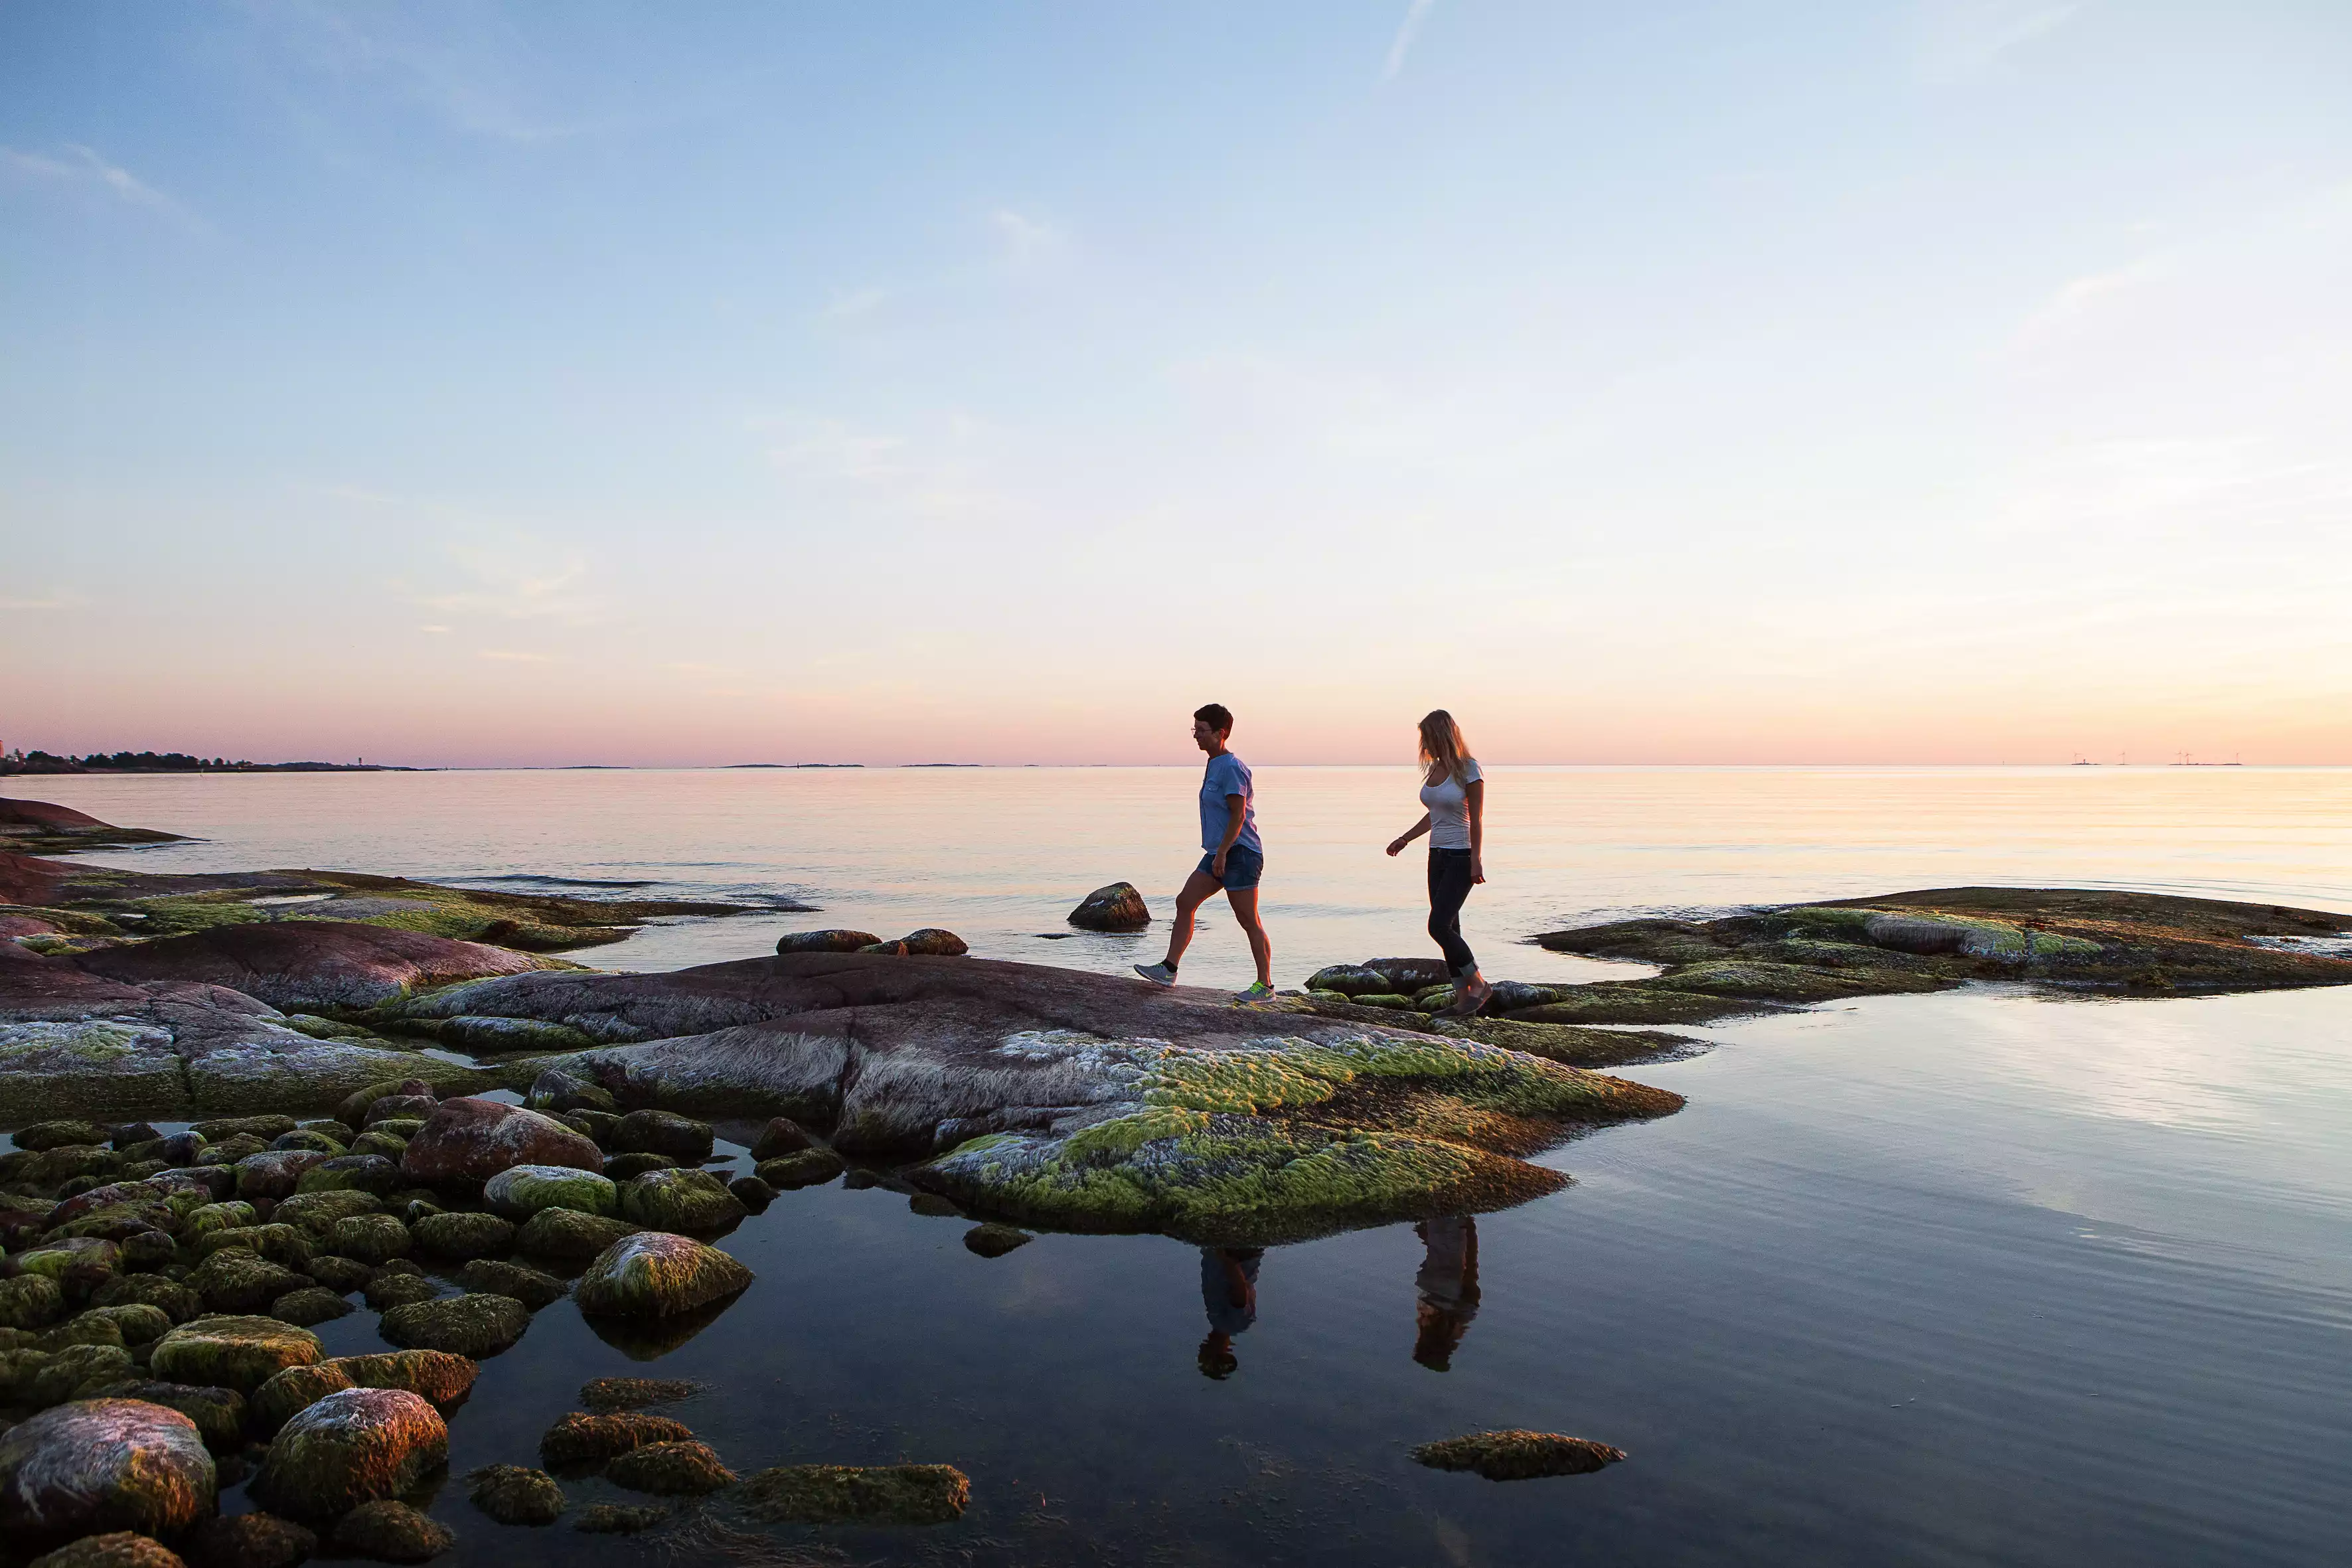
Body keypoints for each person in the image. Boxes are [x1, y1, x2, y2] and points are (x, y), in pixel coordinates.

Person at [1135, 702, 1274, 1000]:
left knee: (1249, 920)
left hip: (1240, 853)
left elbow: (1238, 816)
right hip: (1218, 852)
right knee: (1185, 902)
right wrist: (1218, 852)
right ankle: (1169, 970)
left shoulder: (1233, 768)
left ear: (1221, 733)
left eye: (1202, 730)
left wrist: (1223, 853)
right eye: (1194, 729)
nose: (1196, 735)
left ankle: (1265, 987)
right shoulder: (1213, 763)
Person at [1384, 709, 1491, 1014]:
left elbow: (1478, 819)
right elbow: (1435, 816)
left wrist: (1476, 860)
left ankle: (1480, 984)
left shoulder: (1469, 769)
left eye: (1427, 737)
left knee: (1438, 926)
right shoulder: (1435, 770)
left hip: (1460, 856)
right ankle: (1462, 1000)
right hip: (1437, 856)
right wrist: (1405, 839)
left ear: (1441, 735)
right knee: (1451, 927)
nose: (1424, 744)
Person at [1411, 1215, 1482, 1371]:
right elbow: (1471, 1265)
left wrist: (1424, 1233)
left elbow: (1434, 1257)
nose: (1417, 1337)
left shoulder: (1425, 1308)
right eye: (1419, 1342)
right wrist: (1468, 1225)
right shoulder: (1464, 1310)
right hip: (1455, 1227)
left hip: (1435, 1227)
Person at [1196, 1244, 1263, 1379]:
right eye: (1204, 1353)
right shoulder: (1232, 1325)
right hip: (1238, 1255)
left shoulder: (1217, 1321)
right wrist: (1227, 1259)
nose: (1201, 1348)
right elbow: (1240, 1293)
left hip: (1231, 1255)